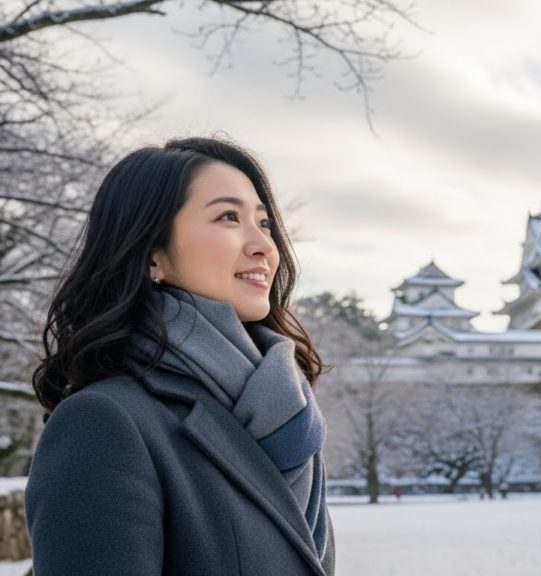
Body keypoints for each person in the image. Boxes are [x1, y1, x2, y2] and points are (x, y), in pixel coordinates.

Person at [25, 137, 335, 575]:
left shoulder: (291, 417)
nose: (264, 245)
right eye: (228, 217)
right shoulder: (103, 423)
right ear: (153, 254)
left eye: (264, 223)